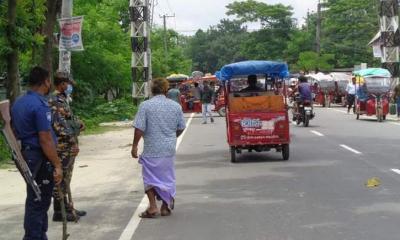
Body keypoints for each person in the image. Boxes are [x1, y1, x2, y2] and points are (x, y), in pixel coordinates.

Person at [11, 66, 63, 240]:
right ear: (46, 81)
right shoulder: (40, 105)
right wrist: (57, 164)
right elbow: (45, 139)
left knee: (34, 198)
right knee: (39, 201)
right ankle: (34, 236)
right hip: (39, 157)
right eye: (49, 81)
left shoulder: (19, 102)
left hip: (27, 156)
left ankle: (39, 235)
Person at [131, 78, 186, 218]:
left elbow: (139, 129)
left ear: (151, 90)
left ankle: (152, 207)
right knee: (167, 177)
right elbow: (181, 127)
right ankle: (165, 207)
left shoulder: (145, 106)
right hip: (168, 149)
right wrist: (171, 137)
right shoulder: (175, 106)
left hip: (151, 149)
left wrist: (135, 146)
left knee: (149, 178)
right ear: (166, 90)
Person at [48, 72, 86, 222]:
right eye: (68, 84)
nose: (69, 86)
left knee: (66, 178)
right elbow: (59, 126)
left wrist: (78, 123)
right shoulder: (55, 100)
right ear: (62, 83)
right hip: (62, 146)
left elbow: (68, 119)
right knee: (61, 178)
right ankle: (60, 211)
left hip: (68, 145)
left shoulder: (62, 99)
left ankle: (67, 207)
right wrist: (73, 141)